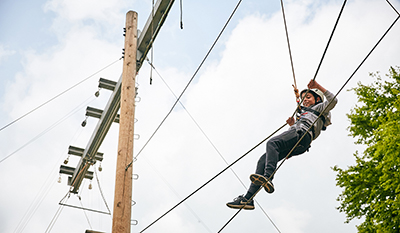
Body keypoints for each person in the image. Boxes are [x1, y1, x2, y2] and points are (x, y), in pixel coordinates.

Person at [226, 80, 338, 210]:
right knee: (263, 160)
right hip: (300, 141)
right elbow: (301, 109)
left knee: (272, 143)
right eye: (303, 99)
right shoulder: (305, 113)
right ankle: (248, 199)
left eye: (308, 97)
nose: (305, 100)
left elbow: (334, 100)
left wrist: (316, 86)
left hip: (302, 135)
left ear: (318, 99)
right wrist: (293, 123)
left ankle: (268, 176)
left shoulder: (320, 108)